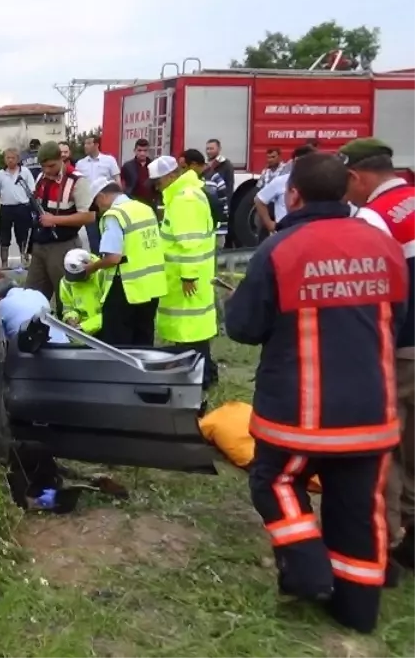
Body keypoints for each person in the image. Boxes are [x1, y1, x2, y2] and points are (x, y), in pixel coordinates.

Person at [224, 152, 408, 634]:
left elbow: (243, 328)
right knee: (358, 509)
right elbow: (399, 321)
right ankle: (357, 610)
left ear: (293, 195)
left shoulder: (280, 249)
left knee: (276, 482)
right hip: (371, 413)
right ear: (345, 191)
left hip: (298, 413)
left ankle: (307, 568)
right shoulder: (383, 245)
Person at [340, 137, 415, 574]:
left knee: (381, 448)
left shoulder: (374, 217)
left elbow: (375, 288)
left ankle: (380, 549)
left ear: (355, 176)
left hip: (401, 348)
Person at [151, 155, 219, 387]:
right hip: (185, 276)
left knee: (191, 330)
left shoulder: (185, 200)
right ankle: (202, 372)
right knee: (189, 330)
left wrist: (188, 275)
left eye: (158, 182)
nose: (157, 187)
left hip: (188, 278)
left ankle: (203, 376)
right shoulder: (181, 195)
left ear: (171, 176)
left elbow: (190, 242)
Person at [78, 179, 167, 346]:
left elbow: (113, 258)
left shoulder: (114, 215)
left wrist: (91, 268)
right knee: (143, 341)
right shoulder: (145, 208)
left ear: (102, 197)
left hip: (126, 287)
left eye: (96, 204)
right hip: (151, 286)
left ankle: (120, 373)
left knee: (118, 343)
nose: (99, 209)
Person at [24, 141, 92, 303]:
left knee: (66, 298)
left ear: (61, 158)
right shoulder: (41, 176)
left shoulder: (77, 180)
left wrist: (54, 220)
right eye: (43, 167)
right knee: (31, 296)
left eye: (51, 166)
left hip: (64, 246)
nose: (47, 171)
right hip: (40, 245)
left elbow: (89, 216)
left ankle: (66, 326)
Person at [0, 148, 37, 268]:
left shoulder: (25, 172)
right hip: (6, 209)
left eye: (13, 158)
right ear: (4, 159)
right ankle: (4, 264)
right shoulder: (1, 174)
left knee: (23, 236)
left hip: (22, 208)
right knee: (4, 237)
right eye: (8, 158)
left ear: (18, 159)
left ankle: (25, 261)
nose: (10, 160)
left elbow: (32, 191)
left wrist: (34, 209)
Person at [255, 146, 314, 236]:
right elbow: (259, 200)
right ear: (293, 162)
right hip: (283, 235)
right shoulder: (281, 181)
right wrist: (270, 225)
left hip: (308, 234)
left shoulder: (318, 183)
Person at [0, 276, 69, 343]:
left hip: (35, 351)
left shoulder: (1, 306)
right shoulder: (37, 294)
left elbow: (0, 338)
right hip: (64, 345)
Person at [59, 248, 109, 335]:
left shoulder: (103, 275)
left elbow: (112, 313)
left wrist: (84, 327)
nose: (77, 280)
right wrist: (71, 318)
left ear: (89, 266)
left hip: (107, 329)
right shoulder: (65, 283)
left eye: (79, 275)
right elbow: (68, 308)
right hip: (81, 333)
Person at [203, 139, 235, 222]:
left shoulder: (226, 164)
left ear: (219, 149)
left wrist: (226, 205)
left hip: (220, 202)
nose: (209, 151)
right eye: (207, 149)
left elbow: (229, 186)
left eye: (211, 149)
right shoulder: (205, 165)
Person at [121, 138, 157, 206]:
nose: (142, 153)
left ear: (148, 151)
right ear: (135, 151)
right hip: (132, 202)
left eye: (145, 150)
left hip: (150, 202)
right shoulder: (127, 166)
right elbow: (122, 185)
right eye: (139, 150)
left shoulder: (154, 165)